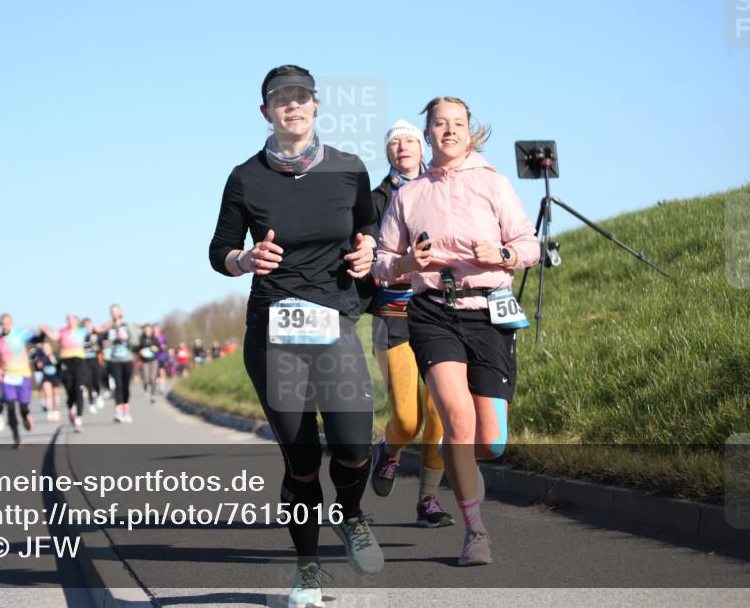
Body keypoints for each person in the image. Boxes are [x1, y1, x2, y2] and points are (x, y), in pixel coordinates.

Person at [209, 64, 382, 607]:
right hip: (273, 328)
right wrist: (246, 258)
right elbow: (219, 250)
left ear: (315, 106)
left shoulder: (350, 170)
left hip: (335, 321)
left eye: (301, 98)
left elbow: (368, 227)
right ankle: (307, 572)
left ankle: (350, 514)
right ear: (266, 112)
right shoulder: (245, 177)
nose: (292, 106)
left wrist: (368, 249)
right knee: (302, 460)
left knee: (354, 446)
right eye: (280, 100)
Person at [373, 96, 539, 566]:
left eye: (458, 123)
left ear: (470, 131)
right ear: (428, 136)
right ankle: (475, 532)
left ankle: (461, 467)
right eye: (440, 124)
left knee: (491, 440)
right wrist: (407, 263)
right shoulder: (408, 195)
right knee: (457, 422)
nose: (449, 131)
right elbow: (383, 264)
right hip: (433, 312)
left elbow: (528, 244)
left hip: (489, 311)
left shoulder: (494, 184)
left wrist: (502, 256)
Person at [364, 120, 453, 528]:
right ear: (388, 153)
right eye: (395, 142)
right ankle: (390, 450)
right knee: (407, 418)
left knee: (438, 415)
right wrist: (397, 266)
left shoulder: (441, 190)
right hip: (392, 313)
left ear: (423, 147)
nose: (403, 147)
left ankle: (429, 501)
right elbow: (369, 260)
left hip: (438, 311)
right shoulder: (375, 199)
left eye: (410, 140)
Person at [0, 313, 41, 448]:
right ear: (0, 325)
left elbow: (36, 340)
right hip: (7, 377)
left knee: (23, 406)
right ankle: (17, 438)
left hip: (23, 375)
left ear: (11, 323)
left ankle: (26, 415)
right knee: (10, 408)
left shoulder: (21, 333)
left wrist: (42, 334)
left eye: (7, 323)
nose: (5, 326)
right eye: (3, 324)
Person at [42, 314, 89, 432]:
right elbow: (53, 336)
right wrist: (46, 330)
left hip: (80, 362)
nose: (71, 321)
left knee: (79, 389)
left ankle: (78, 418)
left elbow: (96, 330)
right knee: (70, 391)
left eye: (73, 319)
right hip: (66, 363)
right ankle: (71, 408)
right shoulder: (62, 331)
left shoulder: (82, 331)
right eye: (68, 319)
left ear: (77, 321)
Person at [97, 304, 135, 423]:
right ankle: (118, 411)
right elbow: (100, 341)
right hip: (113, 360)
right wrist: (104, 343)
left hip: (127, 359)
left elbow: (136, 341)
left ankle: (126, 410)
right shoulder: (108, 328)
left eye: (116, 311)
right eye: (112, 312)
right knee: (118, 385)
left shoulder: (127, 326)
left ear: (120, 313)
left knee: (125, 385)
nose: (114, 314)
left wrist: (126, 338)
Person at [33, 340, 61, 421]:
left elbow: (57, 363)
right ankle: (49, 411)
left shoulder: (55, 354)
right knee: (48, 393)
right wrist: (38, 361)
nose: (45, 349)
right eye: (44, 348)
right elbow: (39, 367)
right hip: (46, 376)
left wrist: (51, 356)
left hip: (55, 376)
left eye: (47, 348)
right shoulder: (41, 356)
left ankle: (56, 410)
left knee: (56, 393)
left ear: (50, 348)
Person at [82, 317, 105, 414]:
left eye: (89, 325)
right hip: (85, 362)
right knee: (88, 383)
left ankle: (98, 395)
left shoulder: (96, 335)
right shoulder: (81, 336)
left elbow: (101, 347)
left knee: (96, 380)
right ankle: (91, 404)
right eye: (86, 325)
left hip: (95, 361)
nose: (88, 327)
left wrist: (97, 348)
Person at [137, 324, 160, 404]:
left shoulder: (154, 339)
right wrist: (140, 352)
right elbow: (137, 348)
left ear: (151, 330)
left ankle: (153, 395)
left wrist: (155, 349)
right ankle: (146, 387)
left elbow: (159, 348)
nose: (147, 331)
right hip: (145, 361)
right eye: (146, 330)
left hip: (153, 360)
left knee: (153, 378)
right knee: (146, 378)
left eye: (149, 329)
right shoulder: (141, 339)